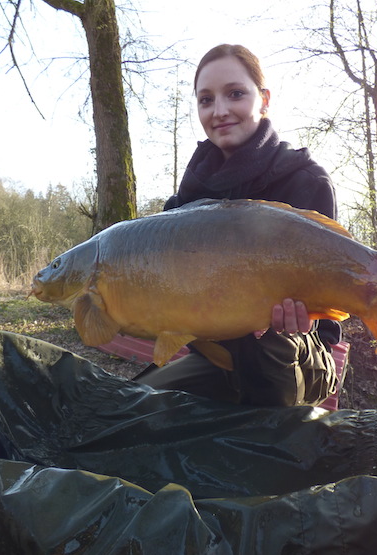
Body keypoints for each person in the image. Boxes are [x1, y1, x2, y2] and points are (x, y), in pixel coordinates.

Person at [135, 44, 341, 407]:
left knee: (269, 339)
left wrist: (301, 320)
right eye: (206, 100)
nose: (220, 111)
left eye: (235, 94)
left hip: (299, 352)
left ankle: (277, 451)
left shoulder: (306, 181)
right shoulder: (188, 196)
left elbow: (328, 318)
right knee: (140, 407)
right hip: (217, 355)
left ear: (263, 99)